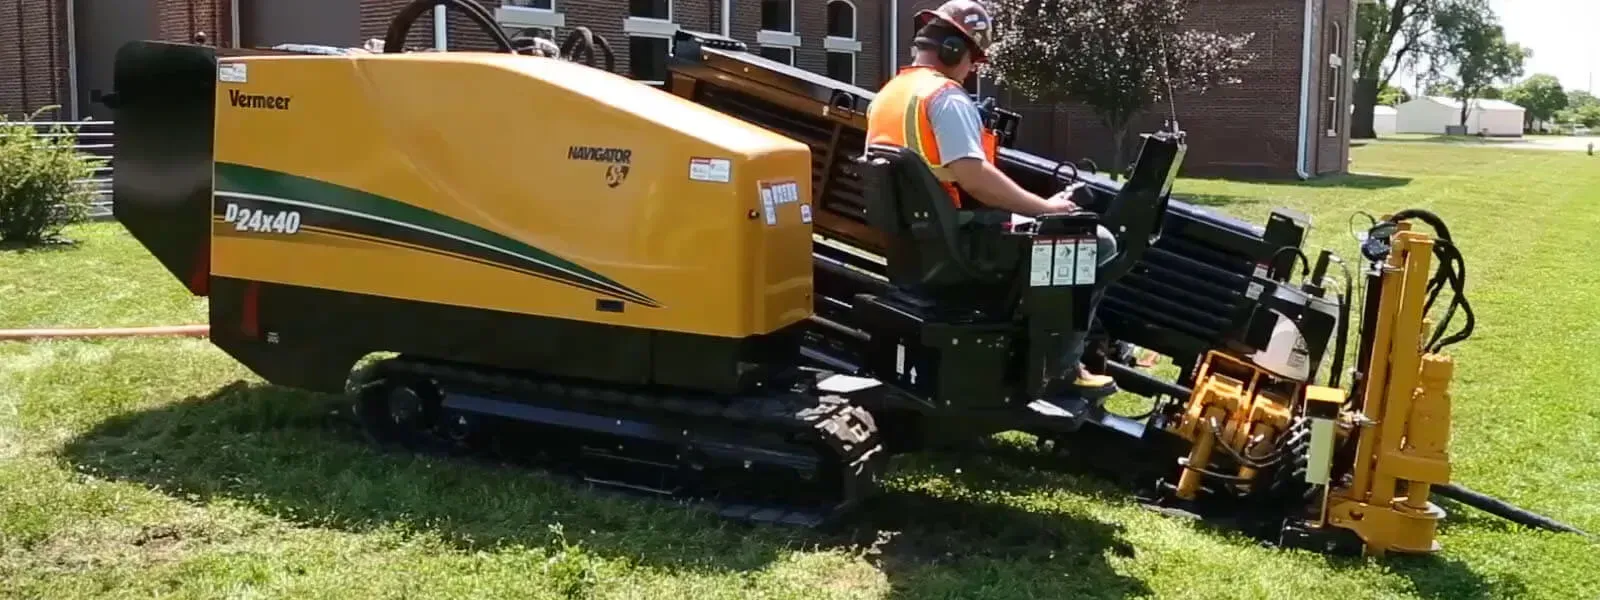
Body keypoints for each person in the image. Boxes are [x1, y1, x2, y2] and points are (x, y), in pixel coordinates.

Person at [864, 0, 1118, 400]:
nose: (973, 69)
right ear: (952, 50)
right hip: (962, 245)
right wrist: (1045, 207)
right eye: (974, 59)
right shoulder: (945, 98)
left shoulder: (888, 96)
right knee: (1097, 242)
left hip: (922, 244)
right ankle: (1062, 367)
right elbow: (974, 178)